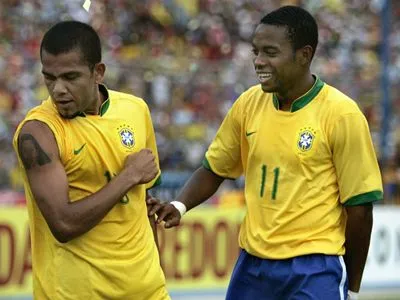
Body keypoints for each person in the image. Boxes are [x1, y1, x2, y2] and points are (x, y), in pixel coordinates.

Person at [149, 6, 383, 300]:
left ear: (304, 55)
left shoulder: (341, 114)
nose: (258, 61)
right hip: (253, 265)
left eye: (270, 52)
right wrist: (180, 204)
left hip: (314, 267)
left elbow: (360, 209)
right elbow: (215, 169)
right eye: (255, 51)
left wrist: (352, 289)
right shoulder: (248, 103)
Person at [13, 21, 170, 300]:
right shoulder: (38, 132)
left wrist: (157, 271)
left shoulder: (135, 109)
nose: (58, 89)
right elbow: (64, 224)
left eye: (70, 77)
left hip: (149, 292)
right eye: (49, 78)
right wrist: (128, 176)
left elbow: (143, 205)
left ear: (98, 72)